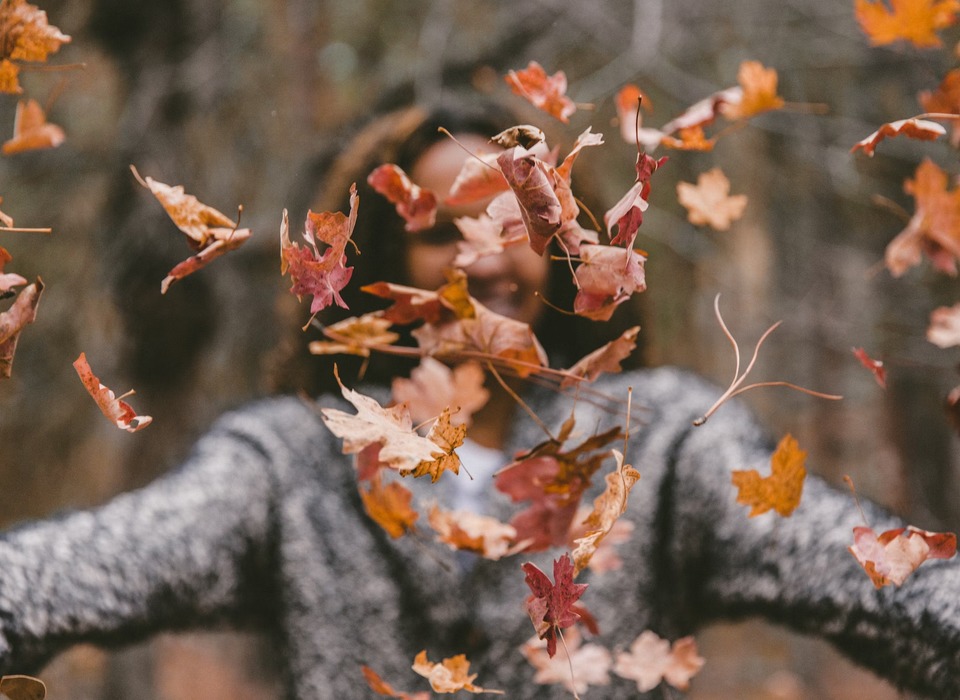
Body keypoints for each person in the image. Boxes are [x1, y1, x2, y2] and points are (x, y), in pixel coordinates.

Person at [0, 95, 958, 700]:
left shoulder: (661, 440)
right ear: (380, 266)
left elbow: (875, 587)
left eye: (508, 219)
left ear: (554, 239)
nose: (477, 258)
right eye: (436, 233)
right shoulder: (293, 461)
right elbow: (92, 565)